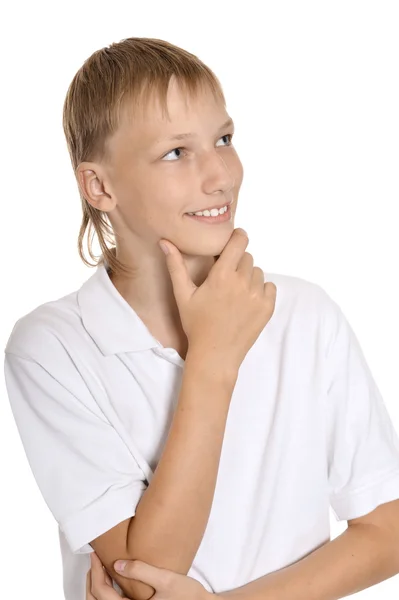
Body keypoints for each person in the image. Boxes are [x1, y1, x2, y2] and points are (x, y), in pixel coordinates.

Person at [4, 37, 399, 600]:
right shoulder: (52, 347)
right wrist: (213, 359)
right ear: (99, 185)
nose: (221, 175)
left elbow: (388, 529)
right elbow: (146, 575)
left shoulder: (306, 316)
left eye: (224, 138)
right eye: (176, 152)